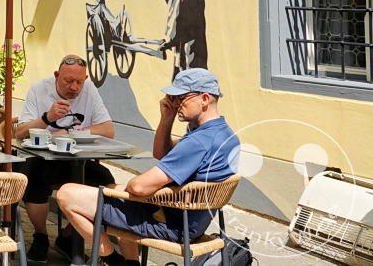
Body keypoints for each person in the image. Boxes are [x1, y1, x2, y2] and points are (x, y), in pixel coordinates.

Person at [57, 69, 239, 266]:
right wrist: (167, 118)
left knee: (66, 194)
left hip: (170, 224)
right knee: (111, 188)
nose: (175, 103)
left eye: (181, 98)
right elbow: (161, 153)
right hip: (186, 219)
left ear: (204, 99)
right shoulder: (223, 134)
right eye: (173, 98)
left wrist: (135, 184)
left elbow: (139, 187)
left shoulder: (198, 142)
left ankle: (113, 261)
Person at [15, 55, 116, 262]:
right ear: (56, 76)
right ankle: (41, 236)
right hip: (40, 159)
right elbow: (21, 132)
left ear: (85, 79)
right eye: (68, 81)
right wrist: (47, 118)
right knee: (33, 179)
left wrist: (71, 133)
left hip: (75, 159)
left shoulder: (90, 90)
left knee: (106, 183)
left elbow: (108, 130)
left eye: (79, 82)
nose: (74, 87)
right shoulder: (39, 88)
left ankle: (68, 237)